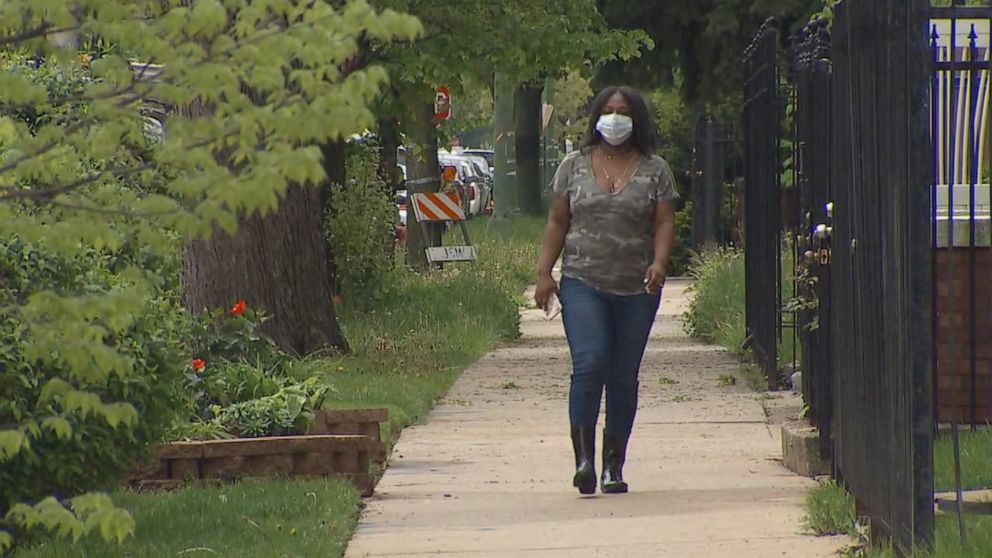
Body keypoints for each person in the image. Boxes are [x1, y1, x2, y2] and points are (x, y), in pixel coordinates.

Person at [534, 85, 677, 495]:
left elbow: (664, 222)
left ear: (637, 120)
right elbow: (558, 222)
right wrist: (545, 273)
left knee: (622, 376)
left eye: (624, 111)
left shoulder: (655, 170)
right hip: (583, 282)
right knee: (590, 362)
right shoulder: (572, 166)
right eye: (609, 110)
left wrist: (660, 262)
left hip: (637, 287)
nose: (615, 118)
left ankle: (614, 464)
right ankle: (584, 461)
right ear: (596, 117)